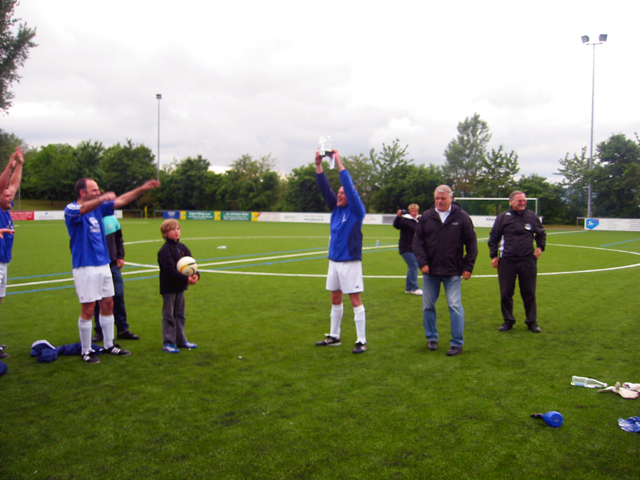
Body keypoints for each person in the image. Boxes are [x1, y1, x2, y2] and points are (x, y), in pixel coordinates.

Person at [65, 177, 160, 363]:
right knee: (88, 309)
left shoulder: (99, 208)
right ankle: (86, 350)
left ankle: (109, 345)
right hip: (85, 266)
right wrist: (102, 198)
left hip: (104, 264)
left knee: (108, 304)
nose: (98, 192)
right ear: (82, 192)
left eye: (98, 190)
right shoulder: (71, 209)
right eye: (94, 190)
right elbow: (83, 209)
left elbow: (122, 200)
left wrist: (142, 188)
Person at [412, 185, 477, 356]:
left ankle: (457, 343)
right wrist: (422, 262)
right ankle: (431, 338)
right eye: (437, 198)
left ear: (451, 198)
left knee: (455, 306)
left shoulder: (462, 217)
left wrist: (468, 266)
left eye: (443, 198)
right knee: (427, 306)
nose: (439, 201)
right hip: (430, 271)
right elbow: (417, 242)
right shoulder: (426, 216)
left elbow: (471, 244)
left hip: (453, 271)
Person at [314, 149, 368, 354]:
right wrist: (318, 165)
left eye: (343, 193)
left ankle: (361, 340)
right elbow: (324, 188)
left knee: (355, 300)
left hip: (350, 261)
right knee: (335, 298)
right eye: (338, 192)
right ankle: (334, 336)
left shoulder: (356, 211)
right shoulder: (336, 209)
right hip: (334, 261)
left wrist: (338, 161)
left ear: (351, 196)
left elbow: (348, 186)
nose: (339, 194)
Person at [488, 190, 546, 333]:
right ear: (511, 202)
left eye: (524, 200)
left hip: (528, 261)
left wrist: (540, 247)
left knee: (529, 293)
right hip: (507, 261)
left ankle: (531, 322)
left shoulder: (532, 216)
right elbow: (494, 237)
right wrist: (493, 256)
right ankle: (508, 321)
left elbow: (541, 233)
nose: (523, 203)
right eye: (519, 200)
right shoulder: (503, 217)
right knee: (506, 293)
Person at [92, 215, 140, 342]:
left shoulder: (112, 219)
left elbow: (119, 239)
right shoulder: (91, 218)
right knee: (98, 298)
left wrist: (120, 256)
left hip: (113, 265)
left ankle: (122, 329)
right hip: (97, 265)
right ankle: (100, 331)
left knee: (118, 296)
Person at [158, 219, 200, 353]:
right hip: (169, 287)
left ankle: (181, 340)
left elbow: (192, 264)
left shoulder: (182, 247)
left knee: (180, 314)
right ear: (165, 233)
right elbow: (169, 271)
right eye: (172, 229)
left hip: (180, 287)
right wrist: (186, 279)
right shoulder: (165, 250)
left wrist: (196, 275)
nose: (176, 231)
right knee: (169, 315)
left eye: (177, 229)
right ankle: (168, 342)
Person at [0, 146, 23, 360]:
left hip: (3, 262)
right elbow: (4, 185)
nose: (10, 197)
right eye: (6, 195)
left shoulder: (6, 208)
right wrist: (9, 166)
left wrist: (20, 165)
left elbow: (13, 184)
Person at [393, 203, 422, 296]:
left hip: (414, 248)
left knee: (413, 266)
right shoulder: (405, 220)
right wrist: (398, 216)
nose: (414, 213)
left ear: (418, 211)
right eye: (412, 211)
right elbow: (396, 225)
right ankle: (415, 287)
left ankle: (408, 288)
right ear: (409, 211)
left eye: (415, 211)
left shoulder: (419, 220)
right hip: (406, 247)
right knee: (413, 265)